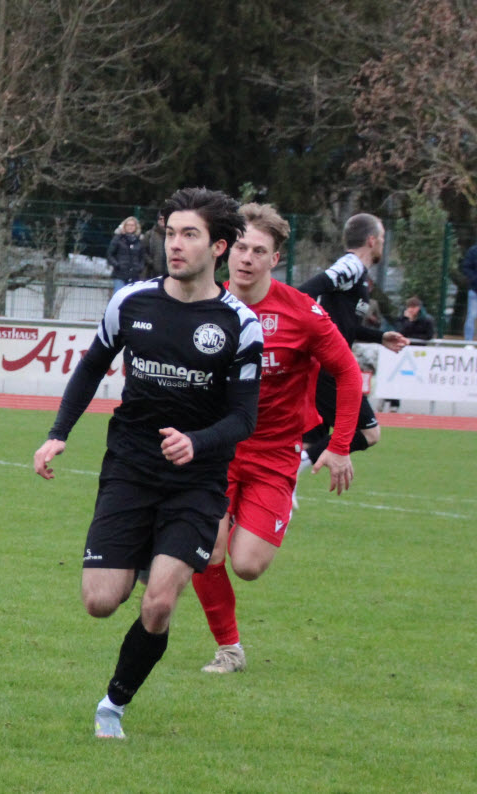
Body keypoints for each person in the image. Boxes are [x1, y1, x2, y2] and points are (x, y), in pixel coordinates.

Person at [33, 187, 263, 739]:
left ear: (219, 247)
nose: (175, 244)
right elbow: (91, 367)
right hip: (130, 470)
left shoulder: (239, 324)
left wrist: (197, 442)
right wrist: (58, 434)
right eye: (171, 233)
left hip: (197, 481)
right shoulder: (130, 302)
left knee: (159, 603)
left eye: (190, 235)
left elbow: (243, 418)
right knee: (99, 602)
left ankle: (112, 705)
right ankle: (144, 557)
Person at [191, 203, 362, 674]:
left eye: (258, 251)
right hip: (215, 451)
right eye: (240, 247)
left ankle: (262, 509)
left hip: (273, 454)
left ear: (275, 259)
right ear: (225, 250)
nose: (246, 258)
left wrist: (340, 445)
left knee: (247, 565)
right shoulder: (204, 304)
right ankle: (229, 649)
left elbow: (348, 373)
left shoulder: (302, 313)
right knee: (206, 550)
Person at [297, 214, 408, 469]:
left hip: (321, 365)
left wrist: (379, 337)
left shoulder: (358, 274)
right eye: (381, 238)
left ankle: (284, 480)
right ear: (371, 240)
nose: (383, 243)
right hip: (327, 366)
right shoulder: (351, 265)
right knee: (369, 433)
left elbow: (343, 326)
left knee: (310, 442)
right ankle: (293, 470)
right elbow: (305, 291)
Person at [106, 216, 145, 292]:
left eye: (132, 225)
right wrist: (117, 265)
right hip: (120, 274)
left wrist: (140, 267)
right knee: (119, 295)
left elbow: (142, 256)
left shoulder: (139, 240)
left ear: (136, 227)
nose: (130, 227)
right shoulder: (117, 238)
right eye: (128, 225)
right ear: (124, 226)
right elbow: (110, 254)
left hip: (134, 275)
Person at [141, 209, 167, 280]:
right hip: (151, 273)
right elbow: (143, 251)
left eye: (165, 219)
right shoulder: (149, 234)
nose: (162, 221)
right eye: (160, 219)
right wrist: (151, 262)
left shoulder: (173, 235)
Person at [461, 243, 477, 341]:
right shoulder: (473, 251)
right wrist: (475, 279)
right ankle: (468, 342)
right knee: (472, 316)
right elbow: (466, 267)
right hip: (475, 290)